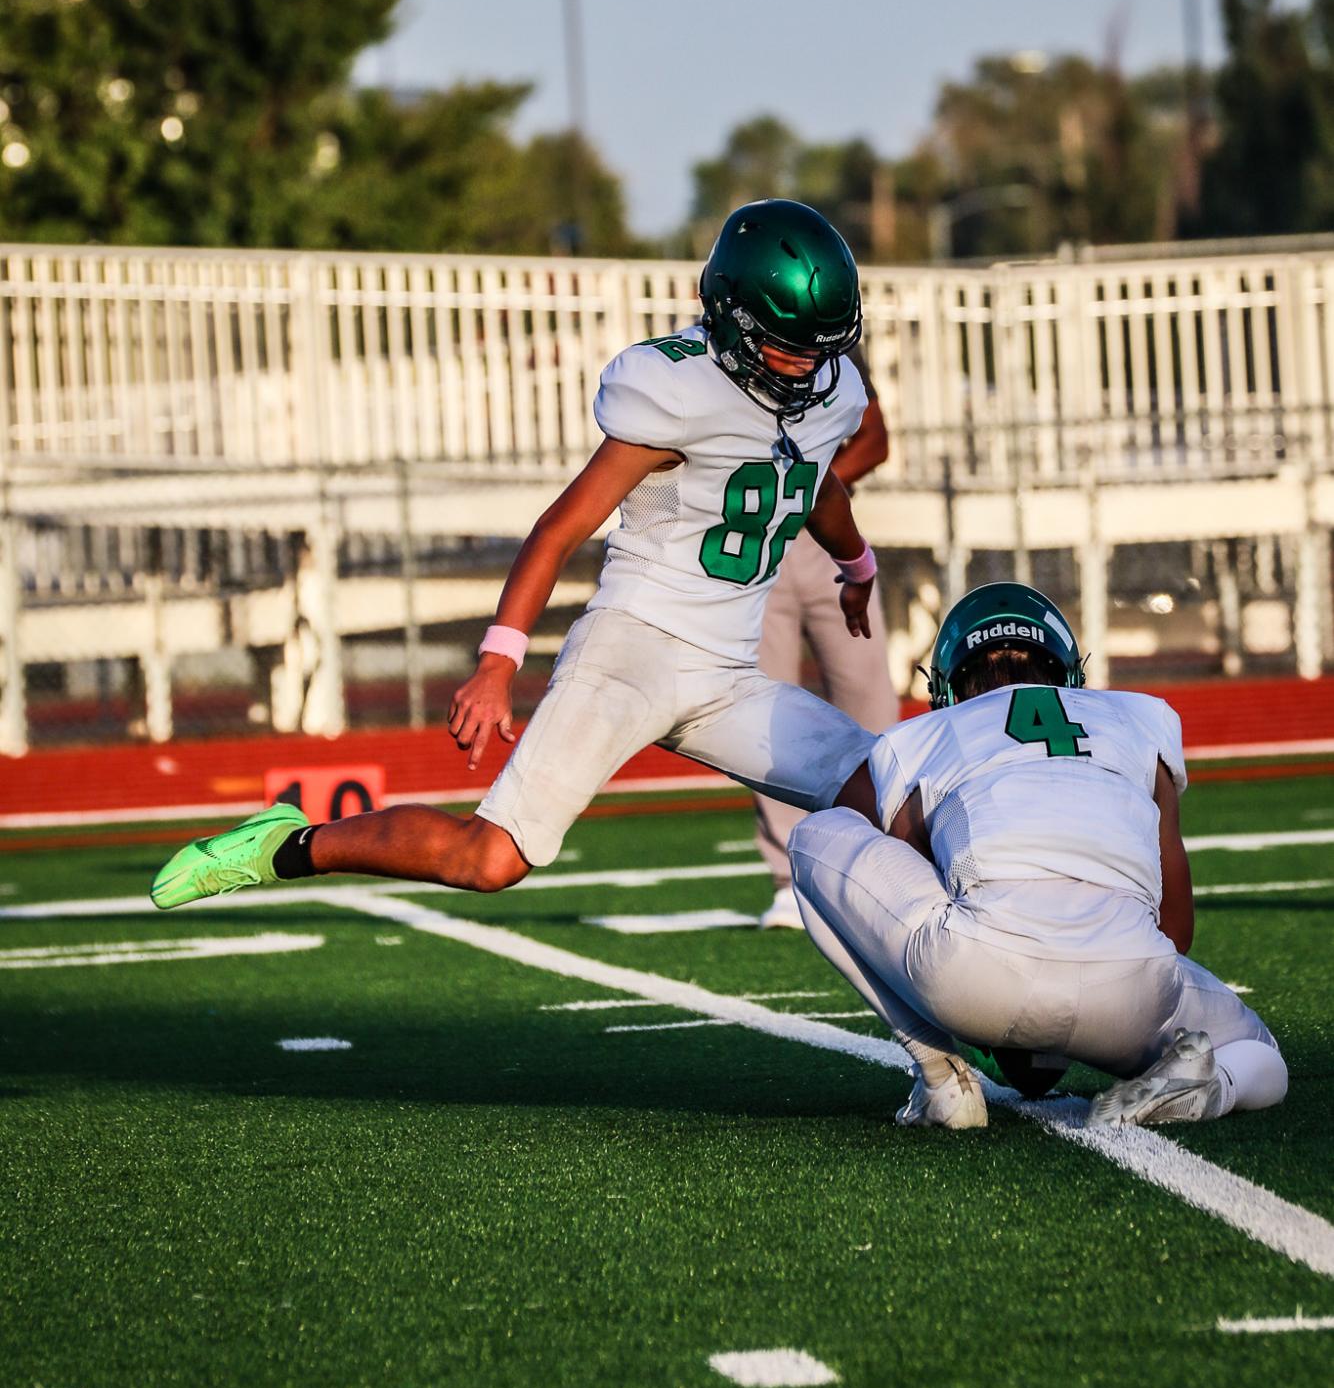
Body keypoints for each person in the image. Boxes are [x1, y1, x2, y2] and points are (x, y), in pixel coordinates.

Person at [151, 200, 884, 911]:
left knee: (885, 792)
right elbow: (560, 528)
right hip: (632, 653)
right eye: (789, 348)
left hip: (728, 674)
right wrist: (498, 663)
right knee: (488, 858)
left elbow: (811, 479)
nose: (804, 370)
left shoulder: (832, 391)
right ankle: (287, 844)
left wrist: (856, 569)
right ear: (731, 317)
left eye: (821, 351)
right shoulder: (676, 388)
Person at [786, 581, 1289, 1131]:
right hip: (1132, 987)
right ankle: (1212, 1089)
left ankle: (939, 1079)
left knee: (817, 835)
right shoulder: (1141, 718)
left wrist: (1017, 1027)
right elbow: (1177, 927)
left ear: (947, 686)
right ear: (1070, 673)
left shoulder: (923, 735)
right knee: (1258, 1051)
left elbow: (909, 883)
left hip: (977, 977)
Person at [751, 345, 898, 930]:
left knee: (869, 704)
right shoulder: (716, 348)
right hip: (751, 541)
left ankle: (890, 860)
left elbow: (877, 438)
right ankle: (790, 878)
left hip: (830, 541)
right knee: (763, 714)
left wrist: (812, 489)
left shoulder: (832, 347)